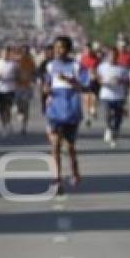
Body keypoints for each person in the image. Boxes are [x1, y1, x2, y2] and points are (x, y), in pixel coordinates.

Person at [44, 36, 84, 194]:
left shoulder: (76, 66)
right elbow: (46, 85)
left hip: (71, 109)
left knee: (70, 147)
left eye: (60, 47)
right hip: (55, 109)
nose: (57, 50)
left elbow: (83, 85)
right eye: (55, 47)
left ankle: (74, 170)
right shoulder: (50, 66)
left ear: (68, 49)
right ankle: (56, 180)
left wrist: (67, 79)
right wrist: (46, 90)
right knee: (55, 145)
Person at [97, 46, 130, 149]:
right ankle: (108, 128)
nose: (112, 57)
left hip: (119, 96)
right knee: (107, 113)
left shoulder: (122, 68)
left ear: (118, 56)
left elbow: (127, 82)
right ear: (107, 56)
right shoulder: (102, 67)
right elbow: (98, 79)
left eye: (115, 55)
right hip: (106, 94)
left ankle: (114, 135)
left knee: (118, 118)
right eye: (110, 55)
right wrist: (104, 82)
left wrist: (120, 82)